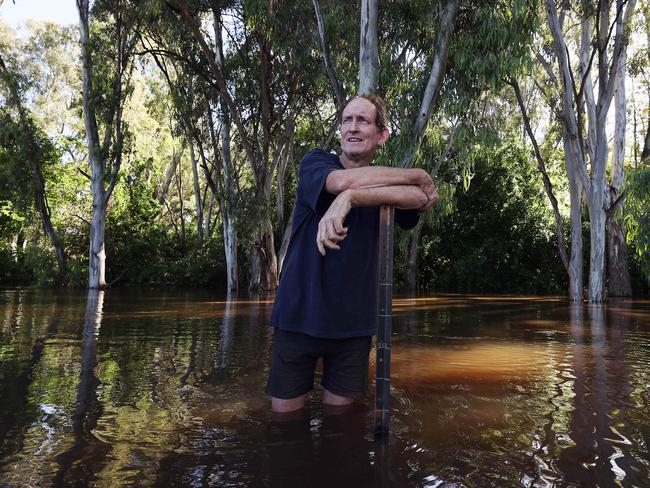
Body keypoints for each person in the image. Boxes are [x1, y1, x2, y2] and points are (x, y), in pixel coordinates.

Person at [267, 94, 438, 413]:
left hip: (353, 325)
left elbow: (420, 199)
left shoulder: (381, 179)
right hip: (299, 314)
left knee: (340, 425)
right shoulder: (316, 162)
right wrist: (416, 174)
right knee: (284, 426)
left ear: (381, 135)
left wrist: (352, 199)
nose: (353, 128)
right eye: (347, 120)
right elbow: (343, 181)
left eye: (363, 120)